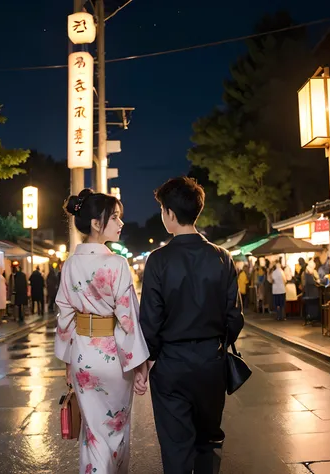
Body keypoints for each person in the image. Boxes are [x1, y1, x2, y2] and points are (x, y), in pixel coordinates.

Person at [137, 177, 244, 474]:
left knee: (176, 445)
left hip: (172, 363)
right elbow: (235, 317)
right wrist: (217, 344)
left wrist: (149, 359)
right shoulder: (222, 257)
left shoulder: (158, 260)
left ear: (169, 213)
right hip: (212, 361)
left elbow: (150, 320)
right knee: (208, 440)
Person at [54, 188, 149, 474]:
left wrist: (68, 361)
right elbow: (128, 318)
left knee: (93, 432)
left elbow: (64, 315)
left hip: (83, 355)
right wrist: (141, 366)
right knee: (115, 428)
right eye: (115, 217)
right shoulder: (116, 264)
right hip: (113, 360)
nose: (121, 224)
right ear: (97, 223)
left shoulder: (70, 264)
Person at [302, 260, 321, 325]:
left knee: (310, 306)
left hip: (309, 293)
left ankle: (311, 317)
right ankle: (313, 318)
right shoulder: (308, 273)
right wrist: (317, 282)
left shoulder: (306, 273)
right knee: (313, 306)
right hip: (312, 293)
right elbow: (312, 282)